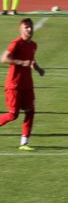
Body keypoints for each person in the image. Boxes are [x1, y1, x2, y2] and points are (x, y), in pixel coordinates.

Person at [0, 18, 45, 150]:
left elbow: (31, 59)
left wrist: (38, 69)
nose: (30, 30)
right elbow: (4, 58)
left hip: (27, 85)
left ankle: (24, 142)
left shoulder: (33, 45)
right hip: (14, 85)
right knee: (13, 115)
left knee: (31, 111)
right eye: (26, 27)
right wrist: (21, 62)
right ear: (21, 29)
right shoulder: (16, 43)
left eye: (31, 27)